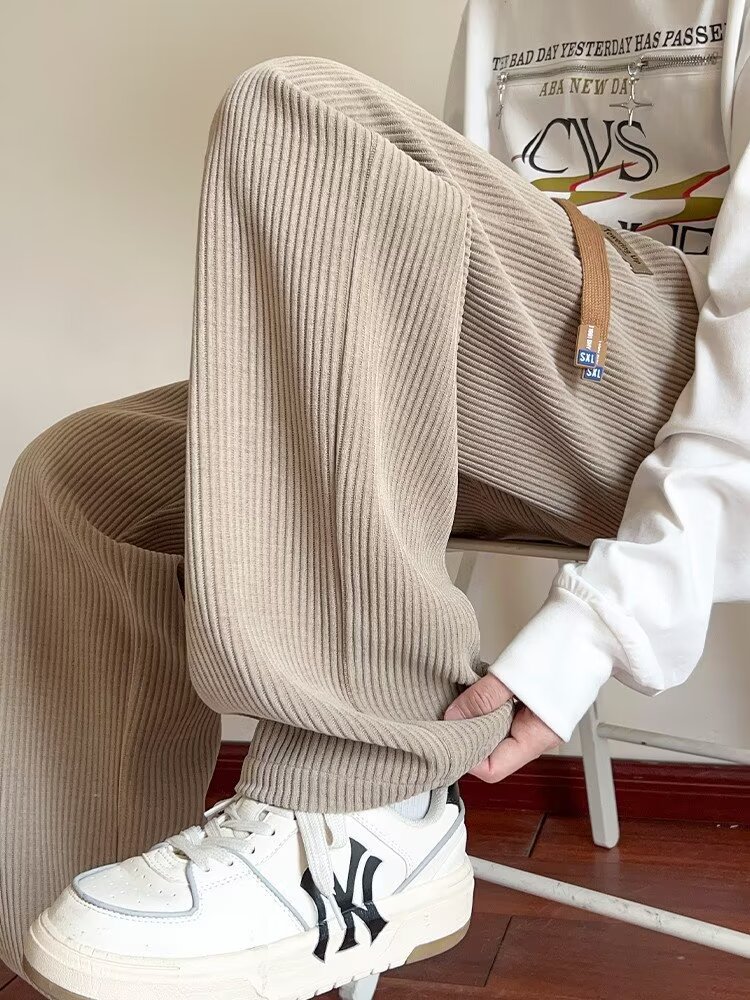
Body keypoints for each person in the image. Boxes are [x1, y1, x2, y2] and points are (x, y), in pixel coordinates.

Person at [2, 0, 747, 996]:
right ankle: (79, 938)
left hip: (683, 392)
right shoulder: (505, 9)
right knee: (84, 478)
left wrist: (605, 624)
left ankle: (358, 804)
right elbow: (431, 257)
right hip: (534, 397)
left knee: (301, 108)